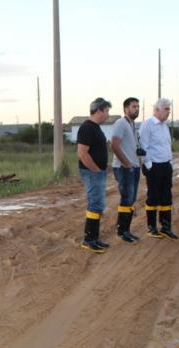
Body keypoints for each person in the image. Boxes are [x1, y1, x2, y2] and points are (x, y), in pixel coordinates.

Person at [139, 98, 179, 240]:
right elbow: (143, 147)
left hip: (165, 165)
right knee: (153, 196)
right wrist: (148, 165)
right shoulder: (147, 125)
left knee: (166, 196)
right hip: (153, 166)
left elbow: (166, 145)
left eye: (169, 109)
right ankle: (151, 227)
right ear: (157, 110)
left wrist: (169, 163)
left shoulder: (165, 126)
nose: (169, 112)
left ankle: (165, 227)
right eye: (166, 109)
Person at [77, 97, 112, 253]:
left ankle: (94, 238)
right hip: (92, 172)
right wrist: (96, 170)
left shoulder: (96, 127)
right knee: (95, 204)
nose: (108, 115)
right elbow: (82, 154)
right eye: (107, 111)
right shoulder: (87, 127)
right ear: (99, 110)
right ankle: (89, 240)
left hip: (97, 172)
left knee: (97, 205)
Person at [110, 97, 143, 243]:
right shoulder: (121, 123)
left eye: (138, 106)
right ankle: (122, 232)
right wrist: (127, 164)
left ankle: (126, 230)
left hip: (134, 167)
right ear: (126, 109)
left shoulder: (133, 125)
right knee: (127, 198)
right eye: (134, 106)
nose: (137, 109)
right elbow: (114, 145)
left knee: (131, 199)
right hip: (124, 167)